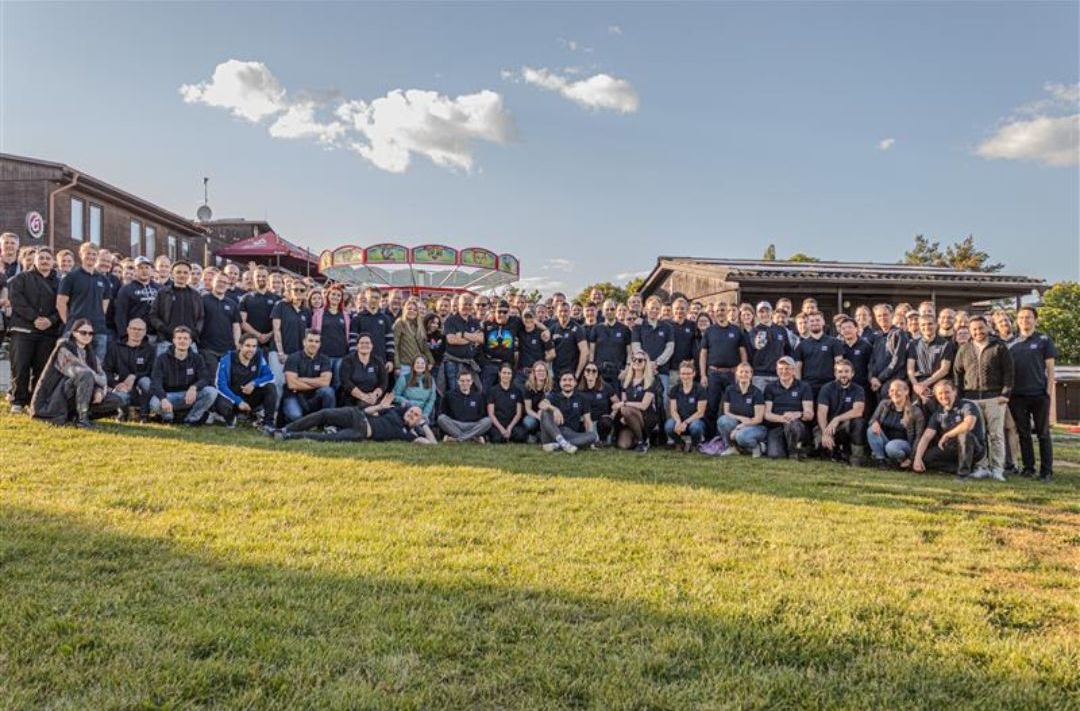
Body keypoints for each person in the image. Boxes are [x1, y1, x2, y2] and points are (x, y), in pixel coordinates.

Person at [29, 318, 122, 427]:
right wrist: (97, 380)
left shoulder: (91, 354)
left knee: (116, 400)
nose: (87, 336)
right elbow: (76, 371)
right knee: (85, 375)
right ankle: (83, 420)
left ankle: (74, 416)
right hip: (58, 396)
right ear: (74, 333)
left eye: (91, 333)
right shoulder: (64, 348)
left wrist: (99, 391)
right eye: (83, 332)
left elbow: (101, 375)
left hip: (82, 393)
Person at [952, 316, 1013, 480]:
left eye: (980, 328)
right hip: (971, 399)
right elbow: (957, 374)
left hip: (994, 398)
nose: (978, 331)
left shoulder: (999, 346)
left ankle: (997, 469)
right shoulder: (964, 349)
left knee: (996, 435)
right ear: (970, 331)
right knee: (978, 435)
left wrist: (1005, 394)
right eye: (974, 329)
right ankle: (981, 466)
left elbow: (1009, 372)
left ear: (987, 327)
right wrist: (959, 398)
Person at [6, 247, 61, 413]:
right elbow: (17, 301)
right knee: (20, 367)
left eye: (48, 258)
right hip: (23, 330)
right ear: (35, 260)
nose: (44, 261)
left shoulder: (60, 283)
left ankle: (35, 402)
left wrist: (51, 320)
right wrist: (34, 318)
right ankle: (18, 401)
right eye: (41, 258)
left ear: (53, 262)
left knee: (42, 368)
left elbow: (63, 305)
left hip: (48, 332)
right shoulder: (20, 278)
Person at [1007, 306, 1056, 481]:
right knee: (1024, 434)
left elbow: (1050, 370)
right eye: (1021, 317)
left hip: (1039, 394)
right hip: (1017, 396)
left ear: (1035, 320)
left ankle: (1046, 471)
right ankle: (1029, 468)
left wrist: (1048, 394)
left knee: (1043, 434)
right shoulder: (1011, 343)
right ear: (1017, 321)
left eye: (1028, 317)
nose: (1024, 320)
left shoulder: (1044, 340)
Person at [913, 380, 992, 480]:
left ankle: (963, 475)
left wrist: (948, 435)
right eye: (940, 393)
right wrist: (917, 458)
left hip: (973, 449)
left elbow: (969, 424)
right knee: (925, 459)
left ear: (955, 392)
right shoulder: (938, 413)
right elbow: (926, 436)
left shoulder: (967, 405)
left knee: (964, 434)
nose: (944, 396)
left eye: (947, 392)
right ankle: (968, 469)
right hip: (951, 448)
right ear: (936, 396)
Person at [276, 395, 437, 444]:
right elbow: (366, 411)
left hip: (361, 432)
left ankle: (288, 436)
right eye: (411, 411)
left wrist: (424, 424)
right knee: (324, 414)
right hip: (356, 415)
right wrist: (380, 406)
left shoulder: (408, 435)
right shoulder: (394, 412)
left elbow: (433, 444)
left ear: (418, 421)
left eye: (416, 415)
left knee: (328, 439)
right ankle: (286, 428)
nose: (412, 414)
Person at [148, 326, 222, 425]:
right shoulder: (162, 359)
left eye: (185, 338)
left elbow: (205, 378)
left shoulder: (197, 358)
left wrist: (194, 387)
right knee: (155, 403)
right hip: (169, 396)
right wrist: (163, 398)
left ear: (190, 341)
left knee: (211, 391)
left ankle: (191, 419)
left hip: (189, 396)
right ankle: (169, 418)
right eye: (179, 338)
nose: (182, 341)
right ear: (173, 340)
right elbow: (155, 382)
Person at [698, 300, 748, 436]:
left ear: (728, 312)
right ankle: (710, 437)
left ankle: (730, 436)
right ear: (714, 313)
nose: (720, 313)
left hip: (732, 374)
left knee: (732, 405)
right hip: (713, 374)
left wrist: (743, 373)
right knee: (712, 406)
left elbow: (742, 352)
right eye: (718, 310)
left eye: (723, 310)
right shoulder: (709, 331)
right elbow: (703, 354)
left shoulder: (736, 330)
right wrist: (703, 375)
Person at [56, 242, 110, 363]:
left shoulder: (104, 280)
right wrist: (70, 323)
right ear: (81, 255)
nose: (91, 256)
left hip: (98, 330)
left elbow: (104, 306)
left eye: (94, 254)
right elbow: (60, 303)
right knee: (71, 367)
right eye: (88, 253)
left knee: (96, 367)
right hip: (75, 330)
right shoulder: (71, 277)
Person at [216, 334, 278, 429]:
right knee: (221, 402)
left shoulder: (258, 357)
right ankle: (231, 418)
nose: (251, 349)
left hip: (250, 398)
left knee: (270, 387)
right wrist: (238, 401)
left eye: (254, 346)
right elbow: (220, 385)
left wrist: (254, 383)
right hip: (232, 399)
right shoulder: (227, 359)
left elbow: (270, 376)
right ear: (240, 346)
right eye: (247, 346)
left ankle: (268, 423)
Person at [103, 317, 156, 420]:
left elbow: (152, 371)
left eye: (140, 329)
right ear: (127, 329)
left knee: (146, 382)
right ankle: (122, 413)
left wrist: (134, 376)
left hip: (141, 389)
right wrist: (116, 384)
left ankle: (145, 414)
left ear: (145, 332)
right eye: (133, 328)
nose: (136, 332)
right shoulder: (115, 347)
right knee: (121, 397)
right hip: (122, 386)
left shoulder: (150, 349)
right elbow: (106, 370)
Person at [816, 360, 867, 466]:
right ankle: (833, 452)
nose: (843, 374)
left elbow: (858, 411)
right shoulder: (826, 388)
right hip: (829, 426)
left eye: (846, 371)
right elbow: (821, 413)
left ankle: (857, 457)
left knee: (859, 422)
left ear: (852, 373)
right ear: (835, 374)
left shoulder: (858, 389)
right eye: (840, 372)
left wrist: (837, 419)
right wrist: (825, 433)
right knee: (822, 445)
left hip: (846, 425)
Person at [763, 356, 814, 460]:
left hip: (797, 425)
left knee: (792, 425)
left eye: (787, 368)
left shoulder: (804, 387)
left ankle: (794, 453)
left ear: (794, 370)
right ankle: (795, 449)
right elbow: (767, 414)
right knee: (775, 454)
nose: (784, 371)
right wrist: (782, 419)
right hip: (777, 426)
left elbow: (810, 414)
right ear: (777, 370)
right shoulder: (770, 387)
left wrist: (797, 414)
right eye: (781, 369)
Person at [866, 379, 925, 469]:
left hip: (903, 445)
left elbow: (919, 437)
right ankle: (881, 460)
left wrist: (911, 458)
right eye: (892, 390)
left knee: (891, 447)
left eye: (898, 390)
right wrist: (874, 423)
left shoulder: (915, 411)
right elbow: (872, 419)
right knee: (871, 430)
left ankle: (901, 461)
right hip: (885, 440)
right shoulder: (884, 404)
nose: (894, 393)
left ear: (906, 391)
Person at [280, 329, 335, 424]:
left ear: (320, 344)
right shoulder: (293, 358)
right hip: (294, 395)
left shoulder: (325, 359)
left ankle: (328, 424)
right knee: (295, 416)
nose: (313, 344)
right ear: (304, 342)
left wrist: (301, 380)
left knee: (328, 391)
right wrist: (317, 383)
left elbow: (325, 382)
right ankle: (305, 421)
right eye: (310, 341)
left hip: (314, 396)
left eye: (317, 341)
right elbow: (292, 384)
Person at [150, 261, 204, 355]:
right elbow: (153, 315)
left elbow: (201, 317)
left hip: (189, 343)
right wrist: (164, 329)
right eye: (178, 272)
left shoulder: (195, 295)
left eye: (185, 272)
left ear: (189, 274)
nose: (182, 275)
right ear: (172, 274)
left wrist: (195, 332)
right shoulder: (163, 293)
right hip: (166, 342)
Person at [538, 370, 598, 453]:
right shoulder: (554, 396)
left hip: (570, 434)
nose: (567, 382)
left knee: (592, 436)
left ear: (575, 383)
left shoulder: (582, 398)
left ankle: (558, 445)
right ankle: (562, 442)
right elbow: (541, 404)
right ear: (560, 383)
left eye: (570, 380)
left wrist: (590, 441)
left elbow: (587, 421)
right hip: (552, 433)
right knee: (545, 412)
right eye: (564, 380)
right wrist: (554, 409)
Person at [906, 314, 956, 412]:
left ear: (936, 325)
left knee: (934, 410)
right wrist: (916, 385)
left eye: (930, 324)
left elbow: (944, 370)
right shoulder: (913, 344)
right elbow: (910, 369)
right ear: (919, 327)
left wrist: (925, 384)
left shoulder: (945, 344)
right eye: (923, 325)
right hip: (918, 383)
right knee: (915, 412)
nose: (927, 327)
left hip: (937, 382)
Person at [717, 362, 767, 456]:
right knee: (723, 421)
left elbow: (758, 419)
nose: (744, 374)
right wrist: (741, 418)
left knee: (741, 436)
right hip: (737, 423)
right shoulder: (729, 390)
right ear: (736, 374)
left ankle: (756, 446)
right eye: (741, 372)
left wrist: (741, 426)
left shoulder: (757, 393)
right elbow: (726, 412)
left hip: (755, 426)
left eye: (747, 372)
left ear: (751, 375)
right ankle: (732, 447)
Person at [613, 351, 660, 452]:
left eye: (640, 360)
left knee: (625, 409)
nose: (636, 362)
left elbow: (644, 405)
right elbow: (624, 401)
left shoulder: (651, 381)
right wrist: (624, 414)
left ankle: (641, 442)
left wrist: (624, 405)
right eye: (634, 359)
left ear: (646, 363)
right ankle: (642, 438)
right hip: (630, 416)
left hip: (646, 416)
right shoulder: (627, 381)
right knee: (623, 445)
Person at [794, 311, 843, 401]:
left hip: (829, 385)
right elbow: (798, 368)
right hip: (808, 386)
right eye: (812, 321)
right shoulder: (801, 345)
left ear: (823, 322)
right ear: (808, 324)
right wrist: (798, 386)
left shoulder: (834, 342)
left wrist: (838, 383)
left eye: (817, 320)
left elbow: (839, 364)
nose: (815, 323)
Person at [632, 296, 674, 398]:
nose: (654, 311)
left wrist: (657, 363)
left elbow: (670, 348)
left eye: (657, 308)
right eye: (652, 308)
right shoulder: (638, 326)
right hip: (642, 370)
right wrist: (647, 363)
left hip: (661, 370)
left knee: (662, 400)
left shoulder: (667, 327)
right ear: (646, 309)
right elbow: (636, 347)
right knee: (641, 399)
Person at [199, 272, 241, 375]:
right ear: (213, 282)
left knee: (226, 378)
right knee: (213, 377)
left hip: (227, 349)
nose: (221, 284)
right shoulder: (203, 300)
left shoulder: (232, 303)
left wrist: (237, 344)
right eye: (219, 281)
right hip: (207, 348)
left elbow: (236, 325)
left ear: (228, 285)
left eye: (225, 282)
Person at [271, 281, 312, 386]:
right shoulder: (281, 305)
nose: (298, 292)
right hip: (279, 351)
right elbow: (276, 330)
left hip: (297, 354)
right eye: (295, 289)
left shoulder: (306, 311)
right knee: (278, 383)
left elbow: (307, 334)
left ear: (305, 292)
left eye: (302, 290)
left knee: (294, 384)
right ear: (290, 291)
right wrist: (281, 352)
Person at [311, 284, 351, 386]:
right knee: (324, 382)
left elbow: (347, 334)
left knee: (338, 382)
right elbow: (313, 333)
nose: (335, 297)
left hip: (341, 354)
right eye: (333, 294)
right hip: (324, 354)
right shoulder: (319, 314)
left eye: (338, 295)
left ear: (341, 298)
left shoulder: (345, 315)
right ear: (328, 296)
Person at [747, 301, 792, 392]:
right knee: (759, 400)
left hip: (779, 375)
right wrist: (758, 342)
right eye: (761, 312)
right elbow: (754, 347)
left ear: (772, 312)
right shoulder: (754, 331)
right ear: (757, 314)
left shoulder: (781, 330)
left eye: (767, 311)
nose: (764, 314)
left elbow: (788, 352)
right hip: (759, 375)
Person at [437, 369, 491, 443]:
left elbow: (482, 415)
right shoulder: (449, 395)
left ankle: (460, 439)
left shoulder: (478, 396)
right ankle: (471, 438)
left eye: (468, 381)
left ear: (472, 382)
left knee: (488, 421)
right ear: (458, 381)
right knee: (441, 418)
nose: (465, 383)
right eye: (462, 381)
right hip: (456, 425)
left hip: (472, 425)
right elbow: (443, 412)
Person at [665, 360, 707, 452]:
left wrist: (685, 423)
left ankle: (695, 444)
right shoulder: (675, 390)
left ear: (694, 374)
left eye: (688, 373)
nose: (686, 376)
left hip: (695, 421)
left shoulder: (700, 390)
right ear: (680, 374)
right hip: (680, 420)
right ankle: (679, 443)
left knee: (696, 427)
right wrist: (678, 421)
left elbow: (700, 412)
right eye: (683, 374)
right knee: (669, 426)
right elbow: (673, 410)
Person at [442, 294, 484, 386]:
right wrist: (472, 338)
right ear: (458, 305)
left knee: (473, 389)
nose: (467, 307)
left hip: (469, 363)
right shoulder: (450, 320)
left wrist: (463, 334)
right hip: (453, 362)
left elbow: (481, 339)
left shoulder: (475, 321)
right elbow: (452, 340)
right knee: (455, 390)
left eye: (470, 304)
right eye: (465, 304)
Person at [114, 256, 160, 338]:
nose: (144, 270)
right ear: (134, 271)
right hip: (135, 335)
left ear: (151, 270)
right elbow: (120, 315)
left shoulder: (160, 288)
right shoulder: (126, 290)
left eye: (147, 267)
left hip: (157, 335)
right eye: (140, 268)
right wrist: (124, 336)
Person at [480, 301, 521, 392]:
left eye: (505, 312)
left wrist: (546, 330)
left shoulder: (515, 322)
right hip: (490, 364)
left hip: (507, 364)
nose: (501, 314)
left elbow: (531, 321)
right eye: (499, 311)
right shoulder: (487, 323)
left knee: (507, 392)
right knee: (485, 392)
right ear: (494, 312)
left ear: (509, 313)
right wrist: (484, 362)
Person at [341, 332, 389, 407]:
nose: (364, 345)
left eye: (367, 343)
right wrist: (363, 397)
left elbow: (384, 382)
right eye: (361, 343)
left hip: (373, 398)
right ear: (357, 346)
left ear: (372, 346)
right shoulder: (348, 360)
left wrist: (375, 395)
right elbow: (346, 382)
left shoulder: (378, 361)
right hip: (353, 399)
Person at [486, 362, 527, 443]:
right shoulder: (492, 391)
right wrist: (501, 429)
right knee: (497, 439)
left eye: (509, 373)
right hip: (498, 424)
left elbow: (518, 413)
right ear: (499, 374)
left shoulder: (517, 391)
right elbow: (491, 414)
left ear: (512, 375)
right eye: (504, 373)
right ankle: (504, 436)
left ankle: (508, 435)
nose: (506, 375)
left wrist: (510, 428)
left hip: (512, 424)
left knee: (521, 436)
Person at [392, 297, 432, 378]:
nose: (412, 311)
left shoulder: (419, 325)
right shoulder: (400, 323)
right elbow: (394, 346)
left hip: (418, 366)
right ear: (405, 310)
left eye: (415, 309)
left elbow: (424, 346)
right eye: (409, 308)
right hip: (404, 366)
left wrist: (431, 361)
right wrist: (397, 366)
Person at [579, 361, 618, 444]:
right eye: (588, 370)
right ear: (584, 373)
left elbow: (617, 402)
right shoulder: (578, 389)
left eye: (594, 371)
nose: (591, 373)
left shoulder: (606, 387)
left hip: (601, 421)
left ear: (597, 374)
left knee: (606, 422)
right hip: (586, 421)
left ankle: (603, 439)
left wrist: (612, 415)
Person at [392, 354, 437, 422]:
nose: (420, 365)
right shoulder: (404, 378)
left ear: (426, 366)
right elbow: (394, 395)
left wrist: (425, 414)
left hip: (422, 411)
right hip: (407, 409)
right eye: (417, 363)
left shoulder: (431, 380)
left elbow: (431, 400)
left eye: (422, 363)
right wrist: (404, 401)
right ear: (413, 365)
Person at [522, 360, 552, 439]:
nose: (541, 373)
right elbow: (528, 409)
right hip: (533, 415)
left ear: (547, 372)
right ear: (534, 373)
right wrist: (539, 417)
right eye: (538, 371)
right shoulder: (528, 387)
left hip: (547, 413)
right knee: (529, 422)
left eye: (543, 370)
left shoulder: (552, 386)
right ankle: (533, 434)